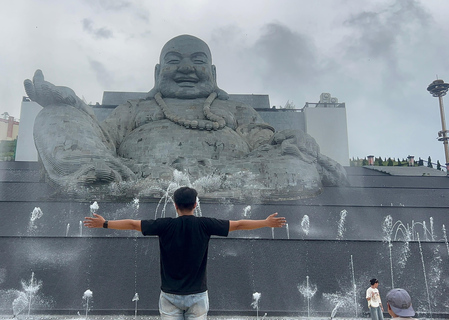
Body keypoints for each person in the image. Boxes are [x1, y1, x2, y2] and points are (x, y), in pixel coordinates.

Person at [24, 34, 347, 199]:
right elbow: (102, 138)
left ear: (213, 72)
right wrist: (73, 108)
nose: (187, 68)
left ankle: (147, 187)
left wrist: (296, 142)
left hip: (230, 173)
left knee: (296, 160)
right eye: (174, 60)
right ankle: (100, 176)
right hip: (129, 170)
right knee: (54, 116)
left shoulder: (235, 110)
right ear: (157, 72)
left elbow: (266, 143)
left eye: (198, 61)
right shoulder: (136, 109)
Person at [83, 186, 286, 320]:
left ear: (175, 205)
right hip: (197, 296)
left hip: (170, 295)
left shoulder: (165, 225)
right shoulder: (205, 225)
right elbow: (240, 224)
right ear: (195, 205)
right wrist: (266, 223)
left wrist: (105, 223)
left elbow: (133, 224)